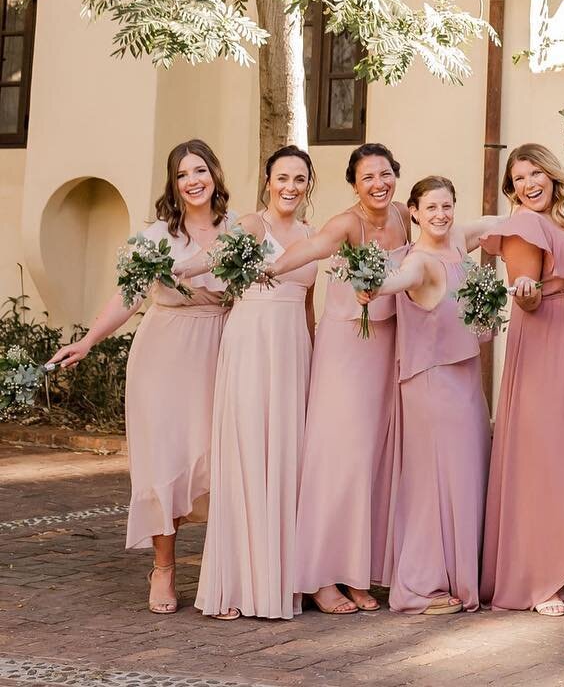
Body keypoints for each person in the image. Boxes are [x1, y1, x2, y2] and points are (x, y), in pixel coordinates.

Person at [50, 138, 235, 615]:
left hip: (221, 350)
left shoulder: (240, 231)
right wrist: (89, 340)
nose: (193, 181)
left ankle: (223, 570)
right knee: (164, 458)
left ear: (214, 174)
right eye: (182, 174)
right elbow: (128, 295)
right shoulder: (156, 237)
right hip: (164, 353)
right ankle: (164, 569)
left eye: (200, 170)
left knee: (221, 459)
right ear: (173, 185)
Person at [267, 140, 408, 614]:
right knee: (337, 458)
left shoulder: (405, 217)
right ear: (354, 184)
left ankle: (358, 572)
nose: (378, 183)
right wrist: (270, 268)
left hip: (386, 350)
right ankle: (320, 576)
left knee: (371, 460)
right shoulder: (346, 224)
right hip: (346, 350)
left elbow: (447, 239)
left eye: (385, 173)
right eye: (368, 176)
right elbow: (312, 247)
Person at [478, 143, 564, 616]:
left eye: (535, 173)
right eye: (518, 178)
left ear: (552, 174)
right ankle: (534, 579)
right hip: (548, 345)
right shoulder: (525, 224)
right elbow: (526, 295)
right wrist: (528, 296)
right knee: (543, 459)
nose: (528, 184)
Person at [194, 145, 319, 621]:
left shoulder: (312, 234)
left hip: (292, 348)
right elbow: (209, 263)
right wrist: (166, 271)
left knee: (287, 455)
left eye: (300, 179)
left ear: (309, 185)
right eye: (282, 178)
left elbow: (308, 303)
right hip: (250, 344)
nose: (290, 187)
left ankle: (281, 580)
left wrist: (313, 353)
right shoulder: (248, 226)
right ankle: (234, 585)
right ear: (268, 180)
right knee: (247, 452)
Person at [361, 174, 489, 614]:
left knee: (465, 476)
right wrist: (373, 284)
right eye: (431, 207)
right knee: (433, 482)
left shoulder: (457, 244)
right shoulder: (418, 261)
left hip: (466, 379)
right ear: (413, 212)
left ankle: (458, 574)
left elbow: (497, 223)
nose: (440, 214)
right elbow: (399, 280)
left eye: (447, 206)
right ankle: (420, 584)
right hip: (432, 383)